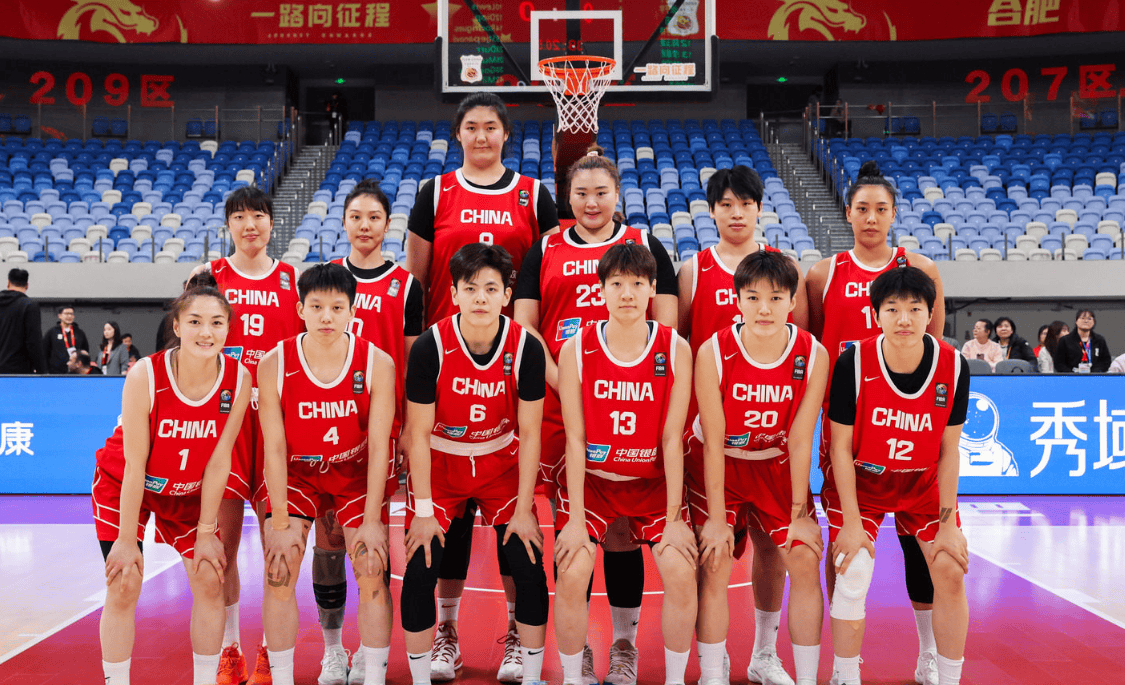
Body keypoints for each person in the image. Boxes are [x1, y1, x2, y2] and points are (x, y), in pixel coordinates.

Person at [406, 91, 558, 682]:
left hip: (505, 362)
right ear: (458, 134)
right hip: (448, 363)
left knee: (519, 542)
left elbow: (546, 272)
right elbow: (417, 280)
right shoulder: (435, 192)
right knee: (444, 539)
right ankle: (444, 633)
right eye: (471, 126)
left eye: (491, 126)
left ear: (505, 134)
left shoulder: (532, 195)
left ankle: (519, 639)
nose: (481, 135)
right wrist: (425, 354)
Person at [513, 147, 679, 685]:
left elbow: (668, 328)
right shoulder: (545, 248)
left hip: (632, 403)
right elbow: (526, 328)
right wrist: (568, 381)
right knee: (574, 529)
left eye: (601, 193)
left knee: (625, 531)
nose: (590, 202)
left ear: (617, 194)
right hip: (564, 405)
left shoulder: (644, 245)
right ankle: (579, 648)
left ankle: (624, 644)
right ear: (567, 197)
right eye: (580, 193)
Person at [805, 161, 946, 685]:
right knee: (845, 540)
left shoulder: (921, 269)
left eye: (880, 209)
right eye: (862, 208)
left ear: (893, 214)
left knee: (917, 543)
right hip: (846, 427)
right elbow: (812, 350)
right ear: (847, 213)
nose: (870, 217)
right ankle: (844, 656)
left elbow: (936, 349)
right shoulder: (823, 273)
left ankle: (929, 653)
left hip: (907, 423)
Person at [400, 243, 549, 685]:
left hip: (500, 465)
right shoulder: (430, 347)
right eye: (470, 288)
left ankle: (528, 663)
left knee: (527, 560)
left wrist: (524, 509)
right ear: (454, 294)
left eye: (490, 288)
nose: (480, 297)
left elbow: (531, 433)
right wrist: (422, 511)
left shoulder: (526, 347)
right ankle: (436, 650)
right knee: (420, 565)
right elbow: (418, 434)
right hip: (442, 465)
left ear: (506, 295)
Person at [93, 274, 252, 685]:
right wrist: (126, 539)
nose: (206, 332)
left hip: (187, 492)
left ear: (228, 329)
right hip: (128, 483)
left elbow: (219, 460)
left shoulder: (238, 380)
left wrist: (207, 532)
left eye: (216, 322)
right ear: (177, 326)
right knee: (125, 581)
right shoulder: (145, 375)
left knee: (210, 578)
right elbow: (135, 465)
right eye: (195, 322)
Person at [553, 243, 697, 685]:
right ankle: (574, 673)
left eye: (637, 283)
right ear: (601, 290)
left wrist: (674, 520)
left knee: (681, 572)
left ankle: (666, 674)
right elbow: (575, 439)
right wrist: (575, 520)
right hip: (594, 483)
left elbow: (672, 439)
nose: (628, 293)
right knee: (572, 570)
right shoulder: (576, 349)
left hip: (653, 485)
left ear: (653, 288)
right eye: (616, 283)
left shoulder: (675, 349)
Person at [822, 266, 970, 685]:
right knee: (853, 572)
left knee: (950, 569)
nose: (904, 319)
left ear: (930, 313)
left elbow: (949, 450)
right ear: (876, 314)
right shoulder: (852, 362)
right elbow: (839, 447)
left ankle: (942, 672)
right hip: (863, 484)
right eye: (892, 309)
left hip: (922, 486)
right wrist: (852, 523)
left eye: (914, 309)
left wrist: (948, 525)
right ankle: (844, 675)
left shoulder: (953, 366)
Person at [688, 251, 827, 685]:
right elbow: (713, 441)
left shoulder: (813, 354)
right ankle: (713, 671)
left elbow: (801, 438)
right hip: (720, 463)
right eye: (753, 298)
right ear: (738, 300)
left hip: (775, 464)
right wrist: (715, 519)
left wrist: (800, 513)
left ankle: (768, 657)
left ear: (792, 302)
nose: (764, 308)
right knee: (714, 559)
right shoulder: (713, 352)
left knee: (801, 557)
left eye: (776, 298)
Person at [257, 263, 397, 685]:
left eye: (337, 307)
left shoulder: (378, 363)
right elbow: (273, 448)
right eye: (316, 307)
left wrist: (371, 520)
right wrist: (279, 522)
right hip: (298, 473)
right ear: (300, 309)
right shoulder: (274, 363)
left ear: (353, 311)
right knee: (279, 567)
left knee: (371, 564)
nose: (326, 317)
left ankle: (373, 675)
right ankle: (315, 661)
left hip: (354, 471)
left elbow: (380, 445)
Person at [193, 187, 305, 685]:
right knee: (222, 546)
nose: (249, 224)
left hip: (276, 425)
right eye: (239, 216)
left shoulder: (292, 279)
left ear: (271, 222)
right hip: (225, 425)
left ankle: (269, 651)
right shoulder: (208, 276)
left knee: (278, 544)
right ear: (229, 225)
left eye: (258, 215)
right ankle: (231, 648)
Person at [314, 180, 424, 685]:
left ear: (387, 224)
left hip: (381, 436)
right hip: (324, 429)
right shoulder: (323, 279)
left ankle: (368, 650)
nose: (364, 225)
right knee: (328, 543)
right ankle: (332, 648)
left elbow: (415, 364)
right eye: (356, 217)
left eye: (373, 217)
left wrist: (408, 429)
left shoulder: (405, 286)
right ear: (343, 222)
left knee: (372, 544)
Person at [0, 268, 46, 374]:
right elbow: (33, 342)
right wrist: (42, 371)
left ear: (8, 283)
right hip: (18, 372)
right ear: (27, 285)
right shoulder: (29, 305)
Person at [43, 304, 89, 374]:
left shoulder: (79, 333)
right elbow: (44, 352)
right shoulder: (52, 332)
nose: (69, 316)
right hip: (56, 372)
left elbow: (85, 351)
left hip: (76, 372)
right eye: (66, 314)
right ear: (60, 316)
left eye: (71, 314)